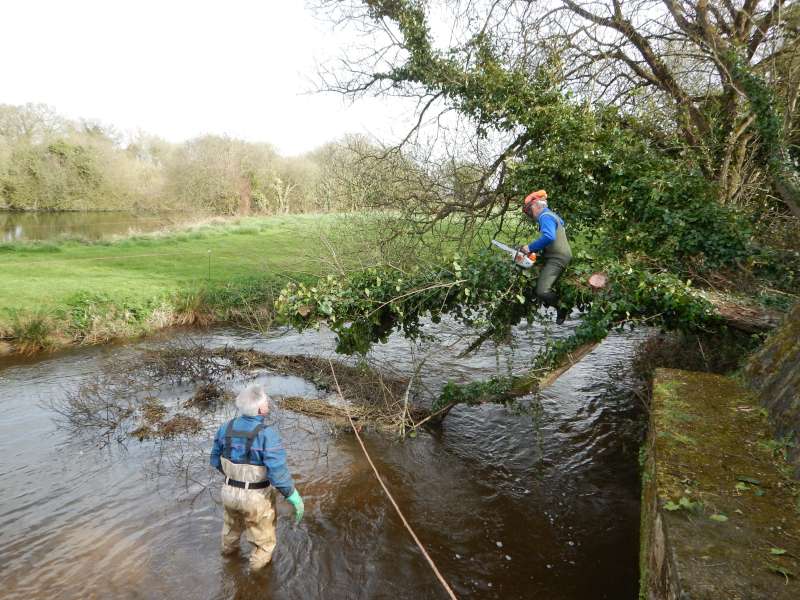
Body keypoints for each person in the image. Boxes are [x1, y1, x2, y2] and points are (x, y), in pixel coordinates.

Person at [210, 384, 304, 570]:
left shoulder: (225, 428)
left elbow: (214, 460)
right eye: (266, 402)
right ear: (261, 409)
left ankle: (228, 565)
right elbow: (277, 473)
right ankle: (257, 578)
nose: (268, 404)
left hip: (228, 492)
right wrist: (293, 496)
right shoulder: (268, 435)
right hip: (256, 497)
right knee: (263, 543)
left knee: (231, 531)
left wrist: (234, 477)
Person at [519, 189, 572, 324]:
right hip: (554, 255)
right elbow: (560, 226)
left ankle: (562, 308)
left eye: (529, 209)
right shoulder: (551, 215)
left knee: (542, 291)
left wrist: (530, 247)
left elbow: (549, 237)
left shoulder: (545, 216)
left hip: (557, 258)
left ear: (536, 205)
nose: (529, 214)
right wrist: (534, 251)